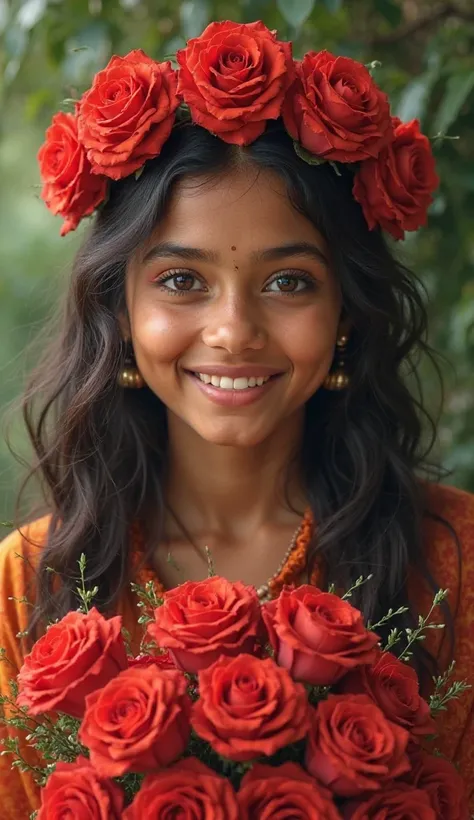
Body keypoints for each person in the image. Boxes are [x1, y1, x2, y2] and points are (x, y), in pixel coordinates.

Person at [0, 20, 473, 818]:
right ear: (119, 310)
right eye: (183, 280)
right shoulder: (26, 583)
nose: (233, 331)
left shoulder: (454, 564)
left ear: (345, 314)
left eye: (288, 283)